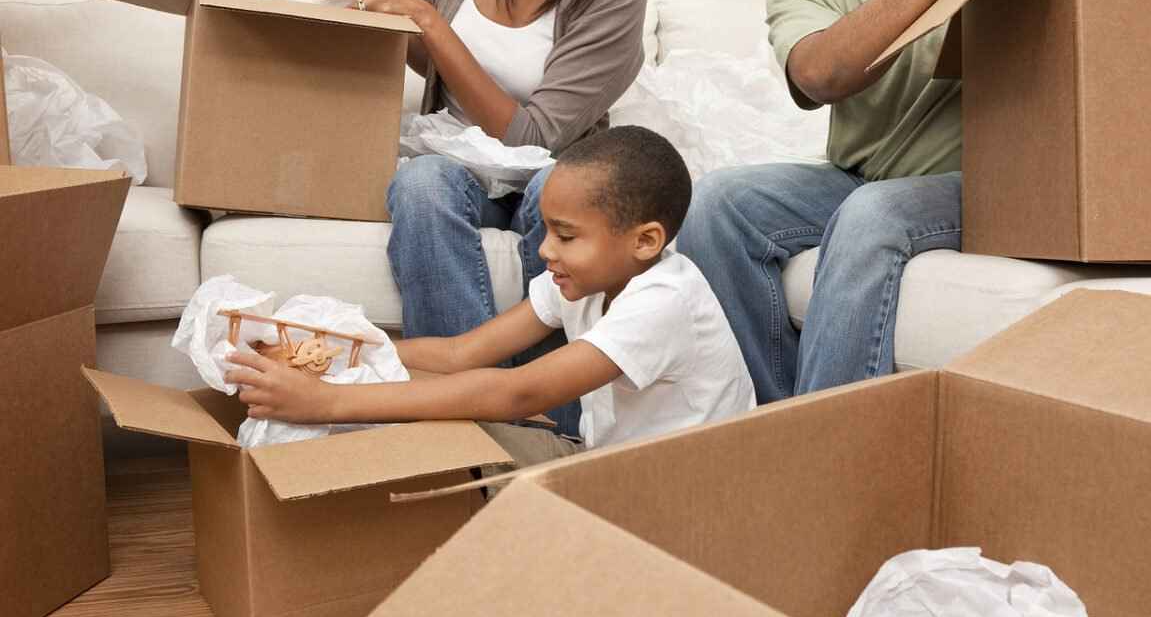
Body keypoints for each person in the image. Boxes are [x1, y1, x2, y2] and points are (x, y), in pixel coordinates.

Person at [676, 0, 1039, 403]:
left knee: (871, 216)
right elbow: (819, 76)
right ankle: (782, 424)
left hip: (975, 181)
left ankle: (818, 452)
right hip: (859, 175)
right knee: (716, 203)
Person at [317, 0, 647, 435]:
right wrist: (374, 26)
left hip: (555, 169)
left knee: (560, 195)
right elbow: (434, 66)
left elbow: (534, 134)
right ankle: (460, 423)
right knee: (419, 184)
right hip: (456, 159)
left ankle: (552, 425)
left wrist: (430, 23)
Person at [226, 126, 755, 469]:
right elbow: (461, 354)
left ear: (645, 240)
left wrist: (330, 403)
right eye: (546, 230)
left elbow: (519, 393)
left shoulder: (665, 300)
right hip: (606, 464)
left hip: (676, 500)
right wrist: (341, 349)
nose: (546, 250)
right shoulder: (583, 280)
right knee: (427, 433)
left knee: (442, 449)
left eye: (566, 236)